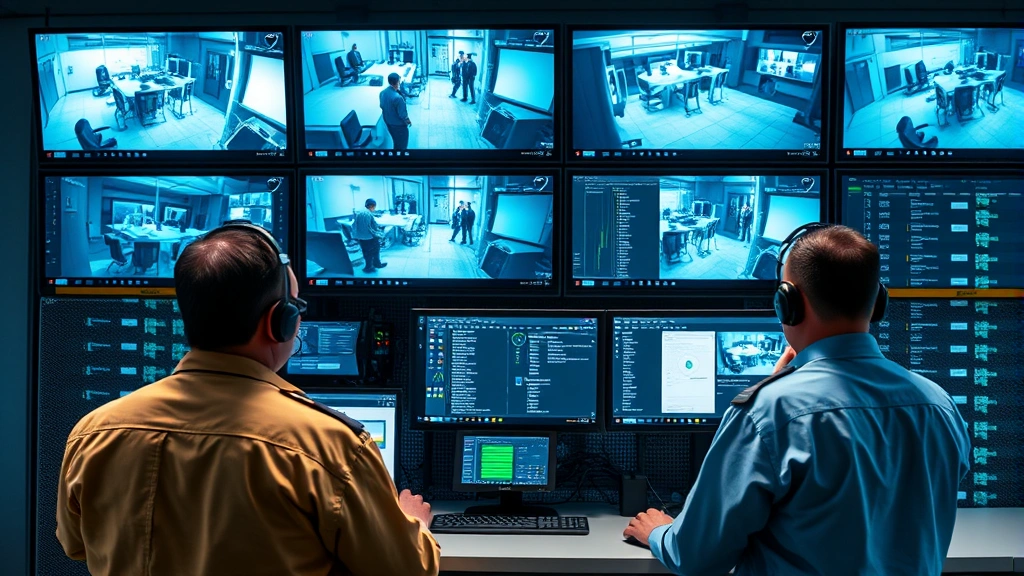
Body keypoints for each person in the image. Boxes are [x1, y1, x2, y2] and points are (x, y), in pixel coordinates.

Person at [56, 221, 439, 576]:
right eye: (297, 307)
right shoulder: (329, 444)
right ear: (280, 322)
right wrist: (413, 524)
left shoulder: (92, 433)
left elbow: (74, 544)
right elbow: (406, 569)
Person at [624, 224, 971, 576]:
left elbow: (697, 557)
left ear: (787, 304)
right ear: (877, 301)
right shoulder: (940, 406)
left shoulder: (768, 413)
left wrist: (658, 533)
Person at [352, 198, 387, 272]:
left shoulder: (358, 213)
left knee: (366, 252)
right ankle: (377, 264)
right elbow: (372, 227)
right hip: (369, 237)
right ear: (372, 206)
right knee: (376, 249)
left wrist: (356, 236)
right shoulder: (369, 214)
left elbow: (354, 225)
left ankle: (368, 267)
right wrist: (379, 235)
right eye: (374, 206)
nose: (374, 208)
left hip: (361, 238)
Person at [380, 72, 411, 150]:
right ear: (398, 82)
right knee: (402, 145)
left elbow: (382, 106)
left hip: (388, 123)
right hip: (398, 126)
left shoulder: (382, 93)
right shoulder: (398, 98)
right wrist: (408, 121)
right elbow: (403, 115)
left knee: (395, 141)